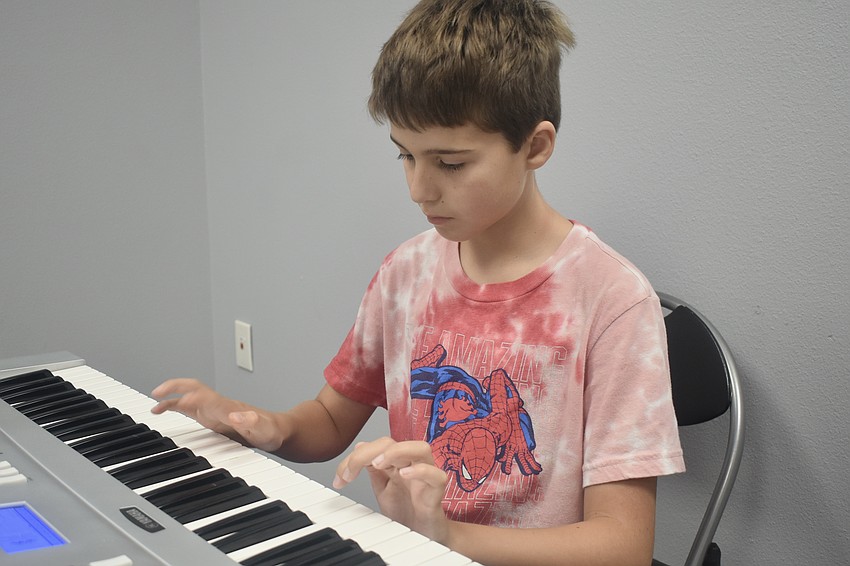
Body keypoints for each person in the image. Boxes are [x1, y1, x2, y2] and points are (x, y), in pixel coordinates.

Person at [151, 1, 685, 564]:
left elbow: (623, 547)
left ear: (535, 147)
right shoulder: (406, 273)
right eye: (406, 156)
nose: (418, 189)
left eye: (450, 164)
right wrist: (266, 426)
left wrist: (449, 538)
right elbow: (333, 420)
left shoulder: (613, 300)